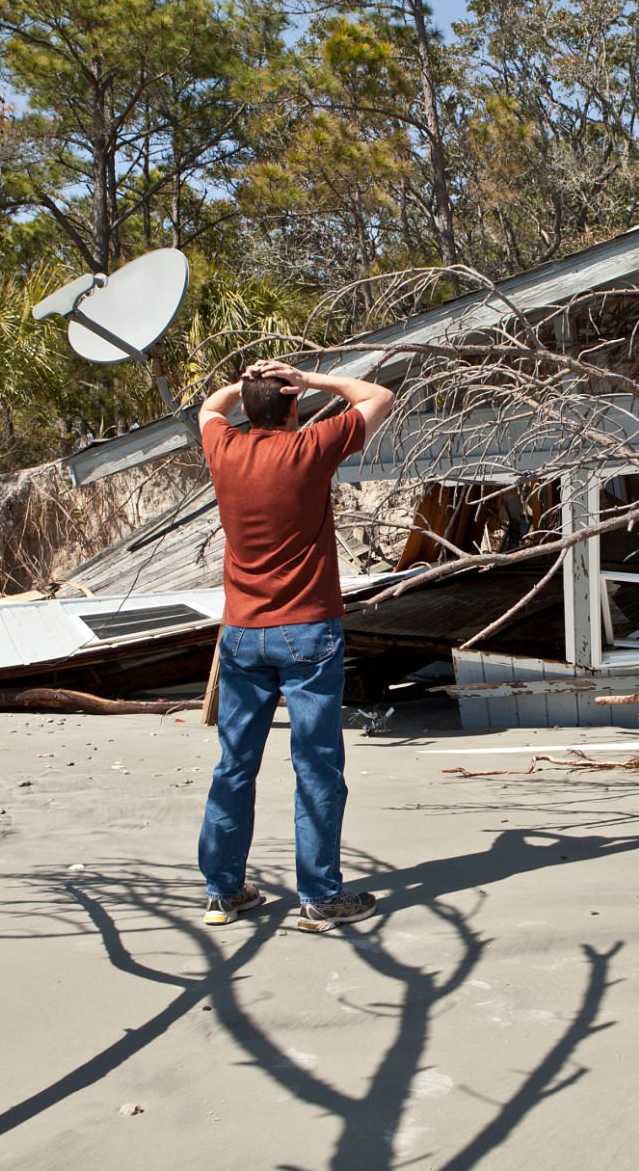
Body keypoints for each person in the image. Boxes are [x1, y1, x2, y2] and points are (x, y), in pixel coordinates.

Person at [195, 357, 393, 932]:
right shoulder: (309, 448)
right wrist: (311, 379)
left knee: (235, 765)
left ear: (249, 409)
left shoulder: (224, 450)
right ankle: (320, 896)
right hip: (307, 629)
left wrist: (249, 385)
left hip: (242, 635)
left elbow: (209, 408)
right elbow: (376, 395)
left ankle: (223, 892)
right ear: (292, 407)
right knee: (316, 766)